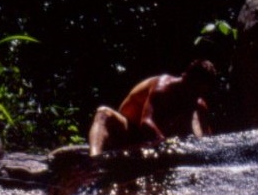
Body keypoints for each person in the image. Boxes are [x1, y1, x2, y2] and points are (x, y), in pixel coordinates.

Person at [88, 60, 216, 156]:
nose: (194, 95)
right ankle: (94, 159)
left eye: (199, 92)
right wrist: (166, 144)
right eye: (192, 89)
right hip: (130, 131)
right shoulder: (162, 88)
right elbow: (146, 122)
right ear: (184, 78)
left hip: (159, 140)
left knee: (198, 118)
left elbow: (206, 137)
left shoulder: (197, 102)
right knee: (103, 112)